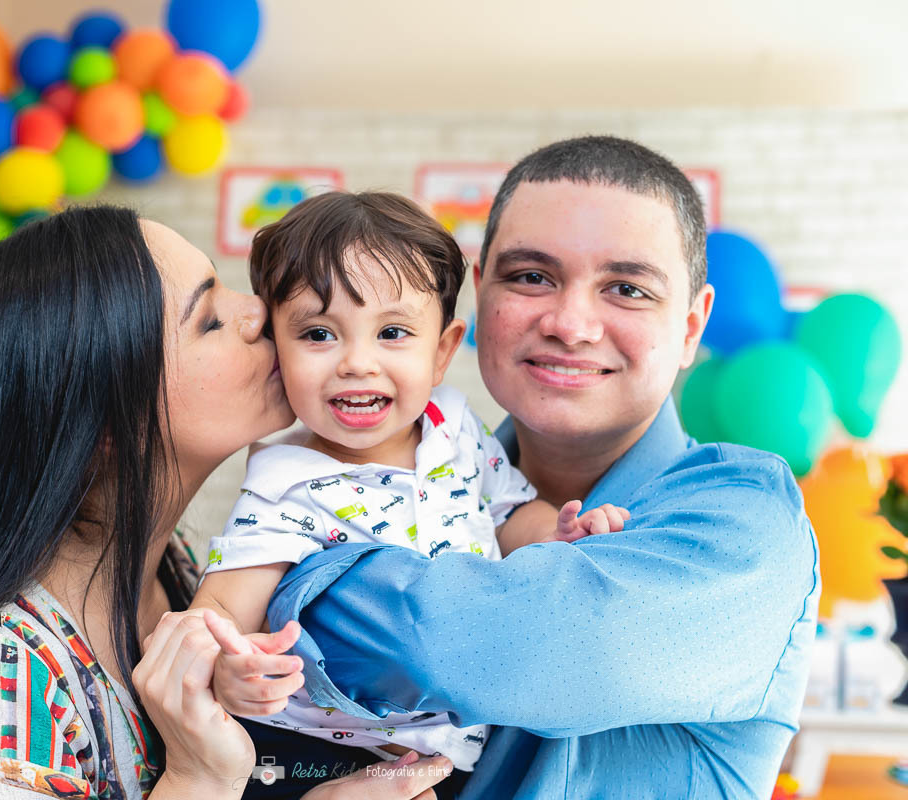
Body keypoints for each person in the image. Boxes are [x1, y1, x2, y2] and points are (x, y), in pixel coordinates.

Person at [0, 206, 454, 800]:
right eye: (211, 318)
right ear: (105, 423)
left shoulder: (177, 571)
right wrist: (197, 780)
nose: (259, 311)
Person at [264, 136, 821, 800]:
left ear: (692, 327)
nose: (570, 323)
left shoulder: (745, 517)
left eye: (626, 288)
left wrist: (296, 574)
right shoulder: (410, 481)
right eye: (531, 277)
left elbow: (510, 647)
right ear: (477, 302)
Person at [189, 191, 629, 779]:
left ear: (443, 350)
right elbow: (219, 610)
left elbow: (508, 512)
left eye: (392, 333)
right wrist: (233, 670)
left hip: (456, 755)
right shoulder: (288, 481)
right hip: (319, 758)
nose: (357, 363)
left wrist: (560, 531)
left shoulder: (454, 429)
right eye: (319, 335)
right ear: (278, 350)